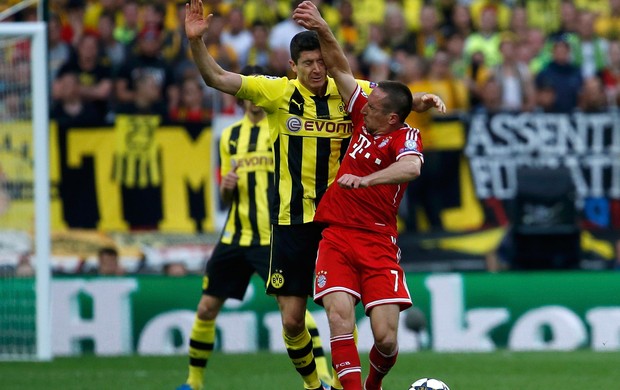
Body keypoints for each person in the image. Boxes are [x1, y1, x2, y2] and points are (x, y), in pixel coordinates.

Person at [184, 1, 444, 388]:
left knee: (343, 310)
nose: (317, 68)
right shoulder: (276, 93)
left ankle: (342, 384)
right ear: (293, 67)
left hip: (341, 220)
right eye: (307, 63)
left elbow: (392, 100)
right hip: (292, 218)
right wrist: (197, 43)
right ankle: (314, 384)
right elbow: (217, 78)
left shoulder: (348, 94)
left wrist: (420, 99)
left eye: (320, 61)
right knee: (291, 320)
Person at [293, 2, 438, 389]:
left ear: (392, 118)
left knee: (387, 339)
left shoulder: (405, 136)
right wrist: (323, 27)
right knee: (339, 317)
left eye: (372, 107)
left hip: (378, 240)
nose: (361, 106)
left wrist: (368, 180)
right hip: (337, 233)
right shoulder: (363, 113)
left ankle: (372, 384)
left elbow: (411, 168)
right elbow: (341, 67)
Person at [177, 65, 331, 390]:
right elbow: (223, 194)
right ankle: (193, 382)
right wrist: (227, 186)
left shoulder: (284, 125)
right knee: (206, 307)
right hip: (235, 236)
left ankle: (323, 377)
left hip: (272, 237)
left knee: (294, 313)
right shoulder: (230, 136)